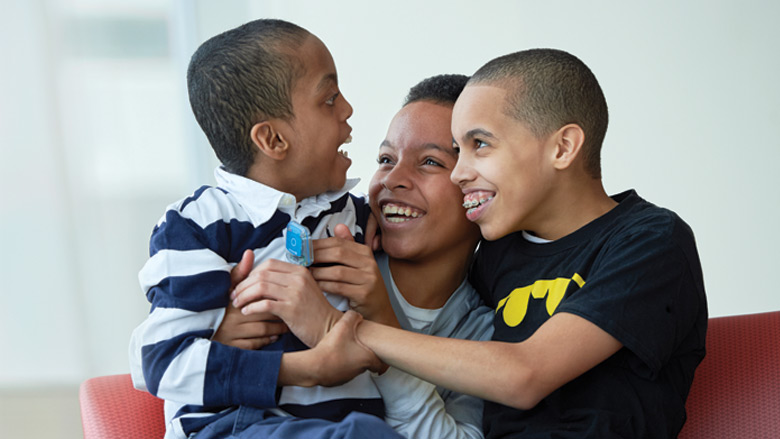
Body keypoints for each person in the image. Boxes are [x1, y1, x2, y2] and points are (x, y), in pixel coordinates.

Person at [233, 49, 708, 438]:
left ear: (562, 148)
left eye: (477, 146)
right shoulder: (498, 252)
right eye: (456, 153)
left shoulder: (650, 240)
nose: (462, 173)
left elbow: (523, 375)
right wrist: (362, 219)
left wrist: (347, 329)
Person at [128, 18, 400, 439]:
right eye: (329, 99)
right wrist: (306, 369)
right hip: (239, 427)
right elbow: (161, 362)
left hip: (346, 425)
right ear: (272, 140)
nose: (347, 109)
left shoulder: (356, 216)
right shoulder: (201, 224)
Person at [224, 74, 494, 439]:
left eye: (430, 161)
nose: (392, 179)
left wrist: (378, 323)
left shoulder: (481, 331)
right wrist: (215, 332)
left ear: (477, 187)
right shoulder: (316, 258)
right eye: (386, 158)